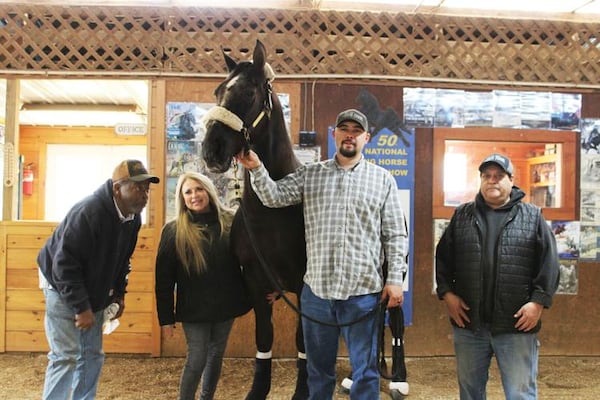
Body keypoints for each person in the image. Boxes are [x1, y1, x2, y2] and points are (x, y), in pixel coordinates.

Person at [237, 108, 409, 399]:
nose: (350, 135)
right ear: (335, 135)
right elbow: (274, 196)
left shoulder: (383, 180)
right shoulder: (312, 175)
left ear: (367, 138)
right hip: (317, 295)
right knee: (319, 372)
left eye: (357, 130)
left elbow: (395, 234)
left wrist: (394, 279)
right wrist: (256, 168)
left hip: (363, 294)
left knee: (365, 373)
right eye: (345, 129)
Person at [435, 153, 560, 400]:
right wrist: (447, 294)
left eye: (499, 176)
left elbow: (550, 264)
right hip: (470, 324)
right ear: (481, 181)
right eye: (487, 176)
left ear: (511, 180)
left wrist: (537, 303)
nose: (492, 181)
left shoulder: (532, 216)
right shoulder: (462, 215)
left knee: (520, 394)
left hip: (515, 324)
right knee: (470, 393)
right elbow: (443, 260)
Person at [37, 159, 160, 400]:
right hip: (59, 285)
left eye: (146, 189)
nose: (144, 194)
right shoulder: (88, 212)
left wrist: (119, 294)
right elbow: (64, 264)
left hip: (94, 287)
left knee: (92, 354)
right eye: (137, 188)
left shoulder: (133, 219)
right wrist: (81, 308)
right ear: (117, 188)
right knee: (66, 355)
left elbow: (123, 259)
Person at [155, 172, 251, 400]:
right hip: (194, 310)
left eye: (199, 189)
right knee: (197, 358)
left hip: (225, 306)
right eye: (188, 192)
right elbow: (164, 279)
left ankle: (206, 397)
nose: (194, 195)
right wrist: (166, 318)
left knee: (216, 355)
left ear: (208, 190)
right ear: (182, 198)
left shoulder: (231, 221)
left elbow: (251, 260)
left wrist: (266, 290)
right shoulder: (173, 231)